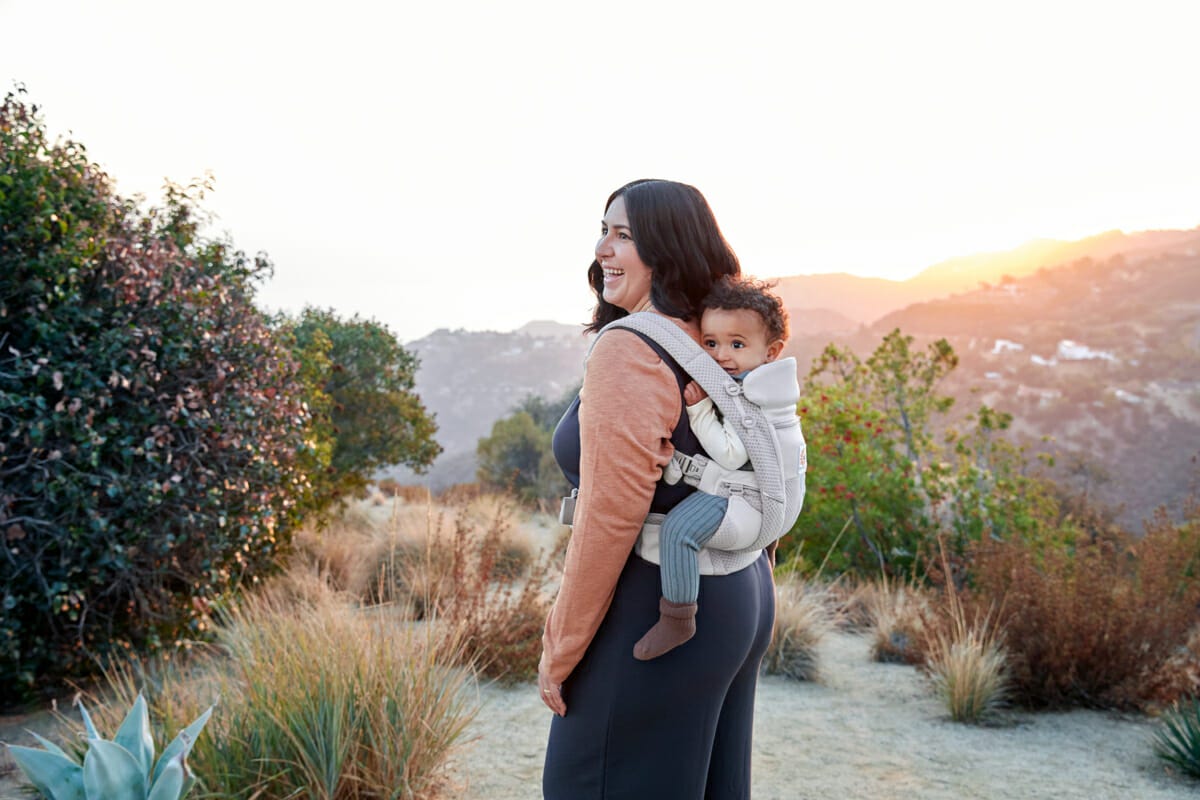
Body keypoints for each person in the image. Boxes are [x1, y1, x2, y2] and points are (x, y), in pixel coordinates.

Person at [539, 179, 776, 799]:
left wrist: (561, 647)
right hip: (738, 589)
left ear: (665, 250)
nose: (603, 251)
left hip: (659, 602)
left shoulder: (629, 349)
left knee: (584, 786)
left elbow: (611, 515)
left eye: (624, 236)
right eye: (603, 232)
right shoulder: (719, 335)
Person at [633, 276, 798, 661]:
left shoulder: (752, 398)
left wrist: (699, 408)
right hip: (773, 501)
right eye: (710, 343)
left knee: (679, 530)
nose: (721, 355)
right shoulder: (768, 386)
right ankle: (765, 555)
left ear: (771, 351)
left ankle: (677, 617)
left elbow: (727, 453)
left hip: (752, 505)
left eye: (737, 344)